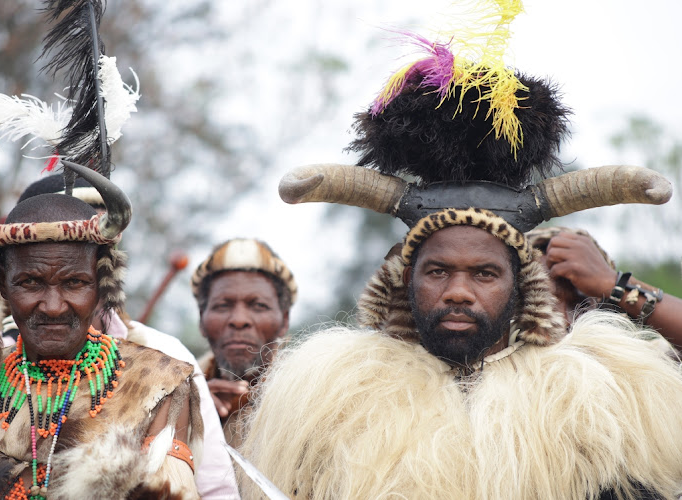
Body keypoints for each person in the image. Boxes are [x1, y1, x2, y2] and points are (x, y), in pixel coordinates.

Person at [240, 8, 682, 499]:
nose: (457, 292)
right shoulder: (327, 395)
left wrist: (621, 289)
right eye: (438, 271)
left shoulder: (596, 396)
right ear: (404, 277)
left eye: (485, 274)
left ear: (521, 284)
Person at [0, 163, 201, 499]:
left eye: (75, 282)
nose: (53, 306)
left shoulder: (158, 384)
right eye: (30, 282)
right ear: (3, 285)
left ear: (102, 285)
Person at [11, 173, 241, 499]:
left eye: (76, 273)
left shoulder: (167, 362)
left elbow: (217, 491)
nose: (53, 303)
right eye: (35, 277)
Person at [190, 238, 296, 448]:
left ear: (284, 321)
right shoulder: (177, 398)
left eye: (258, 305)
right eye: (222, 305)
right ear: (202, 320)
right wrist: (188, 417)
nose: (239, 320)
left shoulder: (314, 405)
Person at [527, 226, 682, 346]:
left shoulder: (642, 366)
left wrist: (612, 283)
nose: (566, 321)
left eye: (582, 306)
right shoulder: (506, 369)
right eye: (543, 304)